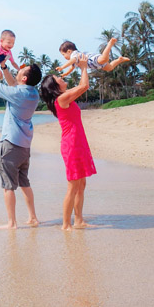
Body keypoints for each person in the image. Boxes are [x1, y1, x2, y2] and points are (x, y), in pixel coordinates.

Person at [0, 57, 42, 229]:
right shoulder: (32, 93)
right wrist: (4, 66)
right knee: (24, 182)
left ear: (24, 78)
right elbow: (14, 84)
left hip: (10, 145)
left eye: (23, 69)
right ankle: (33, 218)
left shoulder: (17, 94)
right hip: (24, 146)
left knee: (8, 186)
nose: (20, 68)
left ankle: (11, 223)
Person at [39, 56, 97, 230]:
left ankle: (78, 220)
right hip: (71, 145)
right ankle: (66, 225)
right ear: (54, 87)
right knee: (73, 186)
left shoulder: (65, 97)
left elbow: (80, 86)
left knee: (81, 185)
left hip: (79, 143)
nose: (63, 79)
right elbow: (84, 86)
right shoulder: (61, 100)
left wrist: (77, 65)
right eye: (59, 79)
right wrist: (84, 67)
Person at [57, 38, 129, 77]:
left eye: (63, 54)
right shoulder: (73, 61)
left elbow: (71, 61)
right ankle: (120, 60)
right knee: (110, 68)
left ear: (69, 51)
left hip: (92, 59)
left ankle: (109, 44)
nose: (64, 57)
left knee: (104, 59)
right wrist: (66, 73)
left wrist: (62, 67)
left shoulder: (74, 54)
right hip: (94, 65)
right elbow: (71, 68)